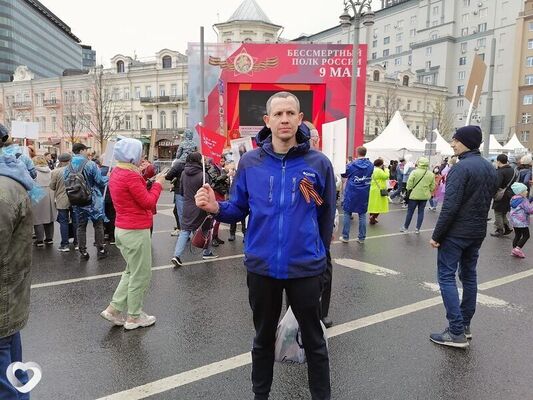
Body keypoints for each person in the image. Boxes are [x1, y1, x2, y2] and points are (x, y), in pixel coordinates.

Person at [195, 91, 336, 400]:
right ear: (267, 120)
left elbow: (326, 215)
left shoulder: (319, 163)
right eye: (278, 114)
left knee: (314, 341)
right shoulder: (250, 162)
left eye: (290, 113)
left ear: (300, 119)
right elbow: (238, 208)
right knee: (262, 340)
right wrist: (215, 207)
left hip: (305, 269)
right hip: (262, 268)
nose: (284, 119)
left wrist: (320, 257)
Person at [429, 125, 497, 348]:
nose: (452, 144)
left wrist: (437, 235)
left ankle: (456, 331)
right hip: (477, 231)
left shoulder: (460, 168)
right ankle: (465, 326)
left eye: (456, 140)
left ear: (466, 142)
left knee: (446, 277)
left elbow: (450, 206)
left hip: (456, 233)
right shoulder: (490, 168)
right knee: (469, 276)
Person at [100, 138, 165, 330]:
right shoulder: (130, 176)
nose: (142, 156)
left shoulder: (117, 172)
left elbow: (132, 192)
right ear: (132, 156)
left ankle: (113, 309)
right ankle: (134, 317)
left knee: (130, 271)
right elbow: (148, 202)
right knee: (140, 275)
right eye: (140, 153)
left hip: (122, 229)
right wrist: (158, 184)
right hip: (135, 230)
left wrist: (143, 175)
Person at [0, 127, 35, 399]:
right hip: (8, 300)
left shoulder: (3, 190)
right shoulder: (11, 178)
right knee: (14, 378)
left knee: (8, 388)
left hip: (3, 303)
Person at [171, 152, 217, 267]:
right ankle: (207, 252)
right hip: (201, 206)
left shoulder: (183, 173)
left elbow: (182, 191)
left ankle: (176, 255)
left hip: (187, 206)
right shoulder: (203, 175)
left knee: (185, 231)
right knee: (205, 229)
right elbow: (208, 192)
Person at [65, 143, 109, 260]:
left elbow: (66, 182)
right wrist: (108, 177)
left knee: (81, 226)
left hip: (77, 199)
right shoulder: (90, 164)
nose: (87, 152)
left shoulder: (68, 166)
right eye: (85, 150)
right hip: (93, 200)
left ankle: (83, 252)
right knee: (98, 224)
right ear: (81, 151)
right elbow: (100, 181)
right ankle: (100, 249)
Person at [340, 146, 374, 243]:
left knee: (347, 213)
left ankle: (345, 237)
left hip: (352, 192)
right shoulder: (370, 165)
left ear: (357, 152)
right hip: (364, 192)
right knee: (362, 214)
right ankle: (362, 238)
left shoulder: (351, 165)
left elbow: (343, 174)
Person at [51, 153, 78, 251]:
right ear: (70, 160)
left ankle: (65, 244)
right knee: (76, 221)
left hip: (62, 199)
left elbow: (52, 186)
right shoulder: (76, 170)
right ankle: (77, 243)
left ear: (60, 161)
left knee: (63, 222)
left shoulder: (55, 172)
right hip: (75, 198)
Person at [400, 157, 435, 233]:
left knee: (410, 212)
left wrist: (409, 189)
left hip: (414, 195)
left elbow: (409, 184)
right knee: (421, 212)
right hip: (424, 196)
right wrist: (427, 190)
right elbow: (432, 186)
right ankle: (417, 229)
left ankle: (405, 228)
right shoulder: (431, 174)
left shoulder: (414, 172)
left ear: (419, 163)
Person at [32, 155, 57, 247]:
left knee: (38, 218)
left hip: (37, 195)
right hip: (50, 195)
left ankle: (39, 240)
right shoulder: (50, 171)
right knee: (49, 218)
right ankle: (49, 238)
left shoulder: (33, 172)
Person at [491, 153, 517, 237]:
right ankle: (507, 228)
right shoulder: (512, 170)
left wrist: (492, 193)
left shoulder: (500, 171)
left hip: (501, 195)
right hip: (510, 194)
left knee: (498, 213)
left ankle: (500, 230)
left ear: (498, 161)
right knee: (503, 213)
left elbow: (497, 184)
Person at [509, 182, 533, 258]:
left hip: (514, 221)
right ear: (521, 192)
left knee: (517, 235)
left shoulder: (513, 198)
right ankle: (517, 248)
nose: (527, 192)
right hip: (521, 221)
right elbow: (529, 210)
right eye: (525, 191)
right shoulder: (523, 200)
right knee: (526, 235)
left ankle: (514, 250)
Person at [165, 158, 186, 236]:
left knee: (179, 212)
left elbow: (168, 176)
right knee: (179, 211)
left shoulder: (178, 164)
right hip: (190, 191)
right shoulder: (195, 165)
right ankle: (182, 229)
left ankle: (182, 231)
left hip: (180, 190)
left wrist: (175, 178)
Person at [367, 158, 390, 225]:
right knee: (379, 205)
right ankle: (373, 217)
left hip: (373, 188)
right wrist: (386, 169)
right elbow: (386, 176)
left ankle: (372, 217)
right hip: (379, 190)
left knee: (373, 204)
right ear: (381, 164)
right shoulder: (379, 171)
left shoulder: (373, 169)